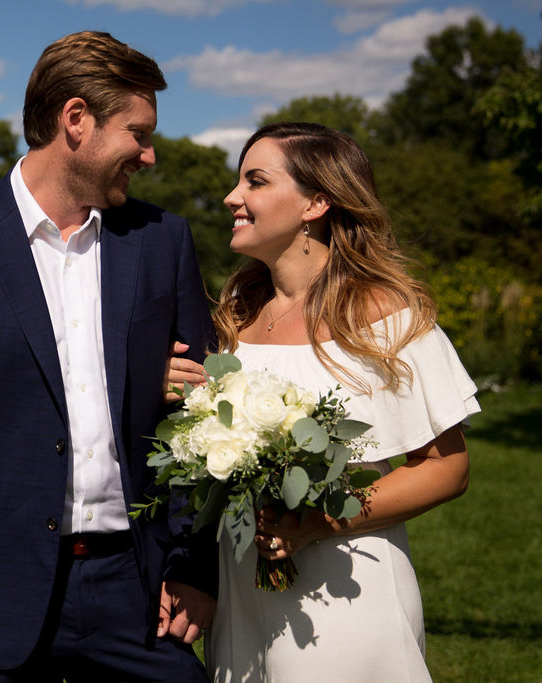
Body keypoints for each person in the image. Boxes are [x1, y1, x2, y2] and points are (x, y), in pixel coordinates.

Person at [0, 31, 218, 681]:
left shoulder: (164, 241)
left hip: (138, 592)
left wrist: (194, 567)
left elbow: (204, 424)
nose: (150, 154)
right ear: (76, 120)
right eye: (137, 134)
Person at [166, 121, 479, 681]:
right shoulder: (236, 318)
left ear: (316, 202)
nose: (231, 197)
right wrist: (182, 392)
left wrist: (313, 525)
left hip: (344, 589)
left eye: (254, 181)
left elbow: (445, 468)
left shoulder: (384, 318)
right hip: (242, 588)